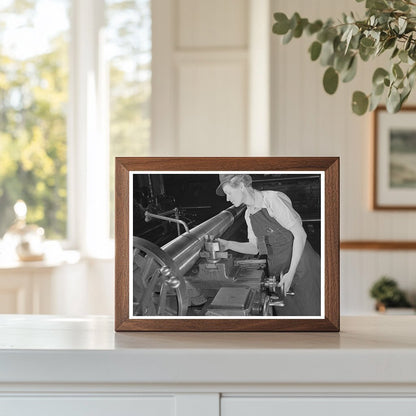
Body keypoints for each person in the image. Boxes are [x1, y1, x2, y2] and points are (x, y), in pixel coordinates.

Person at [216, 174, 321, 316]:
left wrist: (291, 274)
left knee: (312, 313)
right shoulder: (249, 215)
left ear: (241, 186)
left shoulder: (272, 200)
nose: (227, 199)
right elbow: (255, 248)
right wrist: (228, 244)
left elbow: (300, 235)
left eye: (229, 193)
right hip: (279, 273)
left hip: (301, 267)